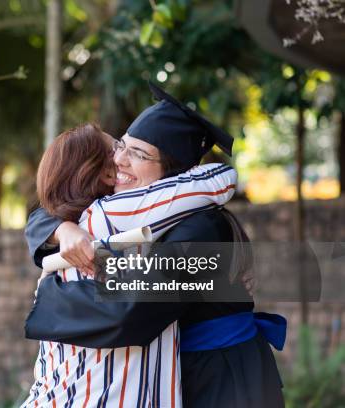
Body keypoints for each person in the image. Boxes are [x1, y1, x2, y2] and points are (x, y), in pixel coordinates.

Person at [24, 82, 286, 408]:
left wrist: (46, 299)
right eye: (121, 146)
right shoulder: (134, 214)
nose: (119, 160)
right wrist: (61, 229)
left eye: (139, 153)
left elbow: (130, 311)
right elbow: (54, 205)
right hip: (178, 376)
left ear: (172, 173)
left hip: (223, 380)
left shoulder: (201, 229)